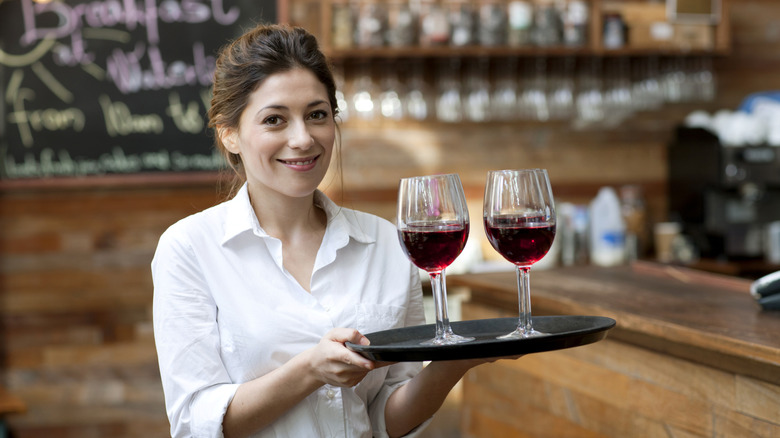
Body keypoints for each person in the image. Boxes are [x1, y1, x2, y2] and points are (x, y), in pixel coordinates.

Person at [152, 23, 498, 438]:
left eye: (317, 115)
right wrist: (310, 370)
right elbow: (196, 422)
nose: (302, 139)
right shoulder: (189, 248)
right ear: (230, 135)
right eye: (274, 120)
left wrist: (453, 363)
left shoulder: (386, 243)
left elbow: (387, 416)